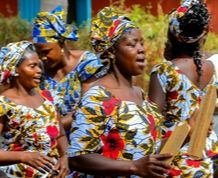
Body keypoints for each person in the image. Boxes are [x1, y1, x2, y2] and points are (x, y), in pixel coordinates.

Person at [67, 7, 172, 177]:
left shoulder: (140, 94)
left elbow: (145, 147)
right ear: (111, 52)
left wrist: (189, 132)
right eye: (132, 44)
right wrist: (133, 167)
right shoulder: (98, 97)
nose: (141, 49)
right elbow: (78, 157)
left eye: (141, 43)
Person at [148, 0, 218, 177]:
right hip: (207, 154)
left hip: (174, 156)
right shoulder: (211, 67)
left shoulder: (163, 71)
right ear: (203, 35)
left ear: (172, 34)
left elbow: (152, 125)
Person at [0, 41, 69, 177]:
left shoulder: (47, 97)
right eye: (32, 66)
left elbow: (60, 134)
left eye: (39, 65)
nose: (39, 71)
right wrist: (23, 156)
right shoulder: (4, 104)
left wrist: (65, 157)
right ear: (15, 70)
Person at [32, 6, 106, 130]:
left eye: (46, 52)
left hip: (81, 135)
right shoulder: (39, 71)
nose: (42, 58)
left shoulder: (87, 65)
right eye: (38, 53)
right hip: (48, 137)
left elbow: (87, 110)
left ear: (61, 43)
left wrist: (52, 128)